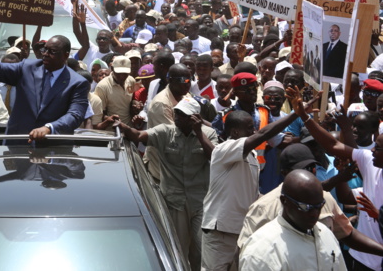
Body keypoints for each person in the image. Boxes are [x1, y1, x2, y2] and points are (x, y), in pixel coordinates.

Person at [288, 86, 383, 271]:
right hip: (363, 259)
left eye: (377, 148)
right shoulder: (368, 160)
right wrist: (305, 117)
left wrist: (379, 216)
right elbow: (332, 144)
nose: (371, 151)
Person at [119, 98, 217, 271]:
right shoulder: (165, 131)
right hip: (174, 201)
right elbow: (139, 136)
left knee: (202, 250)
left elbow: (215, 157)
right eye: (176, 113)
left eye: (183, 115)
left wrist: (199, 133)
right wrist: (123, 126)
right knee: (176, 249)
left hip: (200, 201)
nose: (177, 117)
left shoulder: (208, 133)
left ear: (195, 117)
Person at [200, 108, 301, 271]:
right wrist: (296, 114)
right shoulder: (224, 149)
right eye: (249, 128)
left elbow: (252, 195)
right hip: (221, 232)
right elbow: (263, 135)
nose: (254, 131)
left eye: (253, 127)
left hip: (242, 231)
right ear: (234, 132)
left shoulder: (252, 157)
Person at [0, 32, 89, 143]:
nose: (45, 54)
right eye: (45, 50)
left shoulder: (77, 83)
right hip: (18, 146)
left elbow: (75, 115)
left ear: (65, 55)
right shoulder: (27, 68)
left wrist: (49, 128)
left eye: (52, 52)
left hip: (53, 150)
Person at [239, 170, 347, 270]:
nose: (315, 214)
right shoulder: (262, 251)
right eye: (306, 207)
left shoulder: (326, 234)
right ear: (284, 201)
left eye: (319, 206)